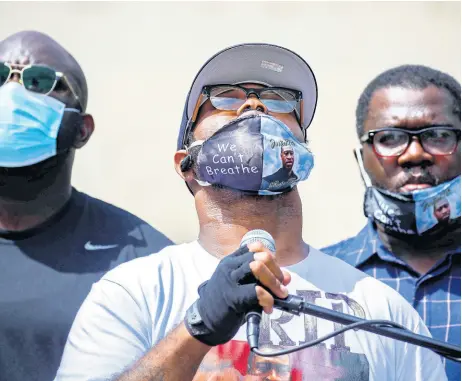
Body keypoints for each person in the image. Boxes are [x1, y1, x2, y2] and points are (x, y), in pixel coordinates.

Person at [55, 43, 447, 381]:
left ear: (303, 156)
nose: (254, 104)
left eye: (279, 100)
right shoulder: (134, 292)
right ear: (187, 164)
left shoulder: (383, 309)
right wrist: (197, 328)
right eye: (224, 96)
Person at [0, 30, 173, 381]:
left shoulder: (141, 259)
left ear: (82, 130)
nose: (12, 93)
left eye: (41, 82)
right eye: (1, 77)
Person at [322, 65, 460, 380]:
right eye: (390, 138)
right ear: (361, 158)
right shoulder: (317, 280)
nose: (414, 154)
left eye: (438, 135)